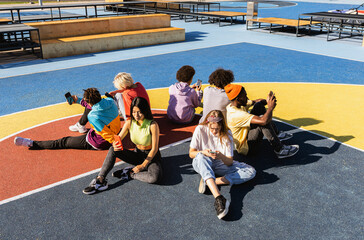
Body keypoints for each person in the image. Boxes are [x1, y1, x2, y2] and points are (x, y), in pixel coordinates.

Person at [83, 97, 162, 195]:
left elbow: (154, 149)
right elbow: (118, 138)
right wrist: (115, 144)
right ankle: (100, 179)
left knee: (155, 177)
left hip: (151, 157)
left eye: (139, 112)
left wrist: (142, 166)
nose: (136, 115)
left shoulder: (153, 125)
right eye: (133, 112)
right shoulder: (129, 123)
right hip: (137, 154)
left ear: (145, 111)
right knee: (112, 149)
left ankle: (130, 174)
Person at [189, 110, 256, 219]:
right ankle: (219, 198)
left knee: (251, 171)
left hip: (219, 163)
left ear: (221, 126)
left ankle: (211, 181)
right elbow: (191, 154)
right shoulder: (200, 129)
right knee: (201, 157)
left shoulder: (227, 134)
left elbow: (229, 161)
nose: (214, 131)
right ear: (207, 124)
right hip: (201, 162)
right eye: (212, 128)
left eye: (217, 129)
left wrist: (220, 156)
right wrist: (203, 152)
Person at [14, 88, 121, 150]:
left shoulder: (93, 116)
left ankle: (32, 143)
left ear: (89, 101)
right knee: (89, 109)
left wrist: (115, 144)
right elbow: (94, 106)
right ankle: (80, 125)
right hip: (114, 130)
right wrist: (78, 100)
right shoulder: (109, 101)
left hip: (98, 141)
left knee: (63, 142)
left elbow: (106, 134)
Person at [224, 84, 299, 159]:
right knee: (262, 121)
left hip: (247, 133)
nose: (247, 98)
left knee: (258, 105)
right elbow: (264, 121)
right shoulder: (236, 114)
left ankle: (276, 134)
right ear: (238, 99)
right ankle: (280, 150)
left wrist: (268, 100)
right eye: (245, 96)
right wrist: (270, 107)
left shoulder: (236, 104)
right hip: (247, 148)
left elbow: (257, 101)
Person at [69, 72, 150, 133]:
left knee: (97, 106)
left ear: (124, 87)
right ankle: (80, 124)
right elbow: (128, 89)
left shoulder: (127, 94)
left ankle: (80, 124)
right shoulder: (138, 85)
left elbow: (130, 111)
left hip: (136, 119)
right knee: (118, 95)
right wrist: (116, 92)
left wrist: (129, 125)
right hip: (146, 113)